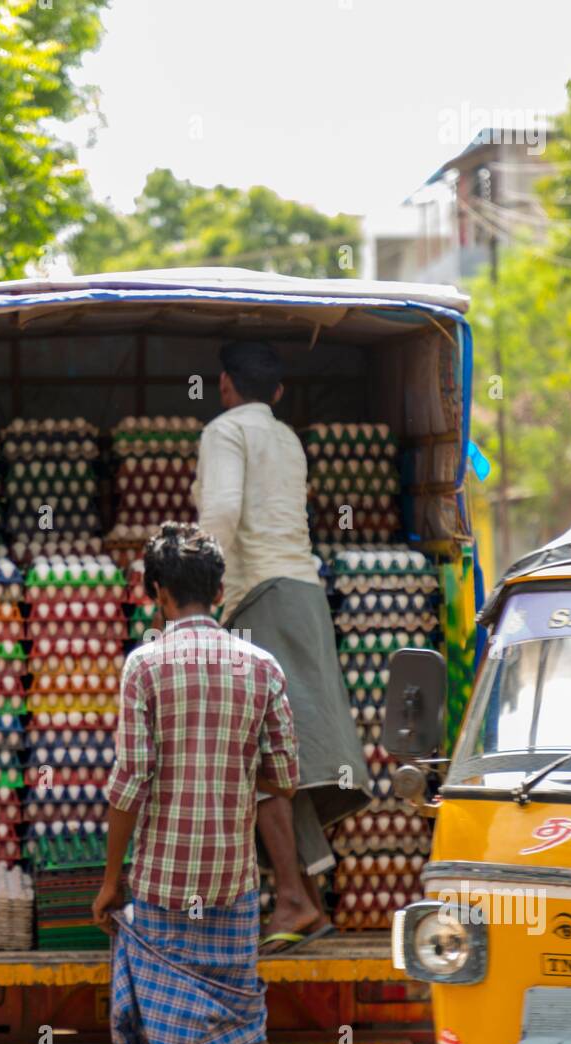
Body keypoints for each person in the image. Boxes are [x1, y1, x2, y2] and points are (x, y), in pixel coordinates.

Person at [93, 523, 316, 1044]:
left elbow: (129, 783)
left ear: (155, 594)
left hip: (162, 884)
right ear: (221, 594)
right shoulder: (260, 667)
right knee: (248, 1026)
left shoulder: (144, 667)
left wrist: (110, 879)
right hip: (232, 885)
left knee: (174, 1037)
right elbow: (284, 778)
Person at [195, 340, 371, 954]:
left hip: (258, 598)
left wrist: (201, 587)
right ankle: (307, 903)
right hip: (302, 592)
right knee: (286, 751)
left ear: (223, 385)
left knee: (262, 757)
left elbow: (219, 511)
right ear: (277, 393)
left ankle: (293, 897)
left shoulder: (223, 431)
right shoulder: (288, 439)